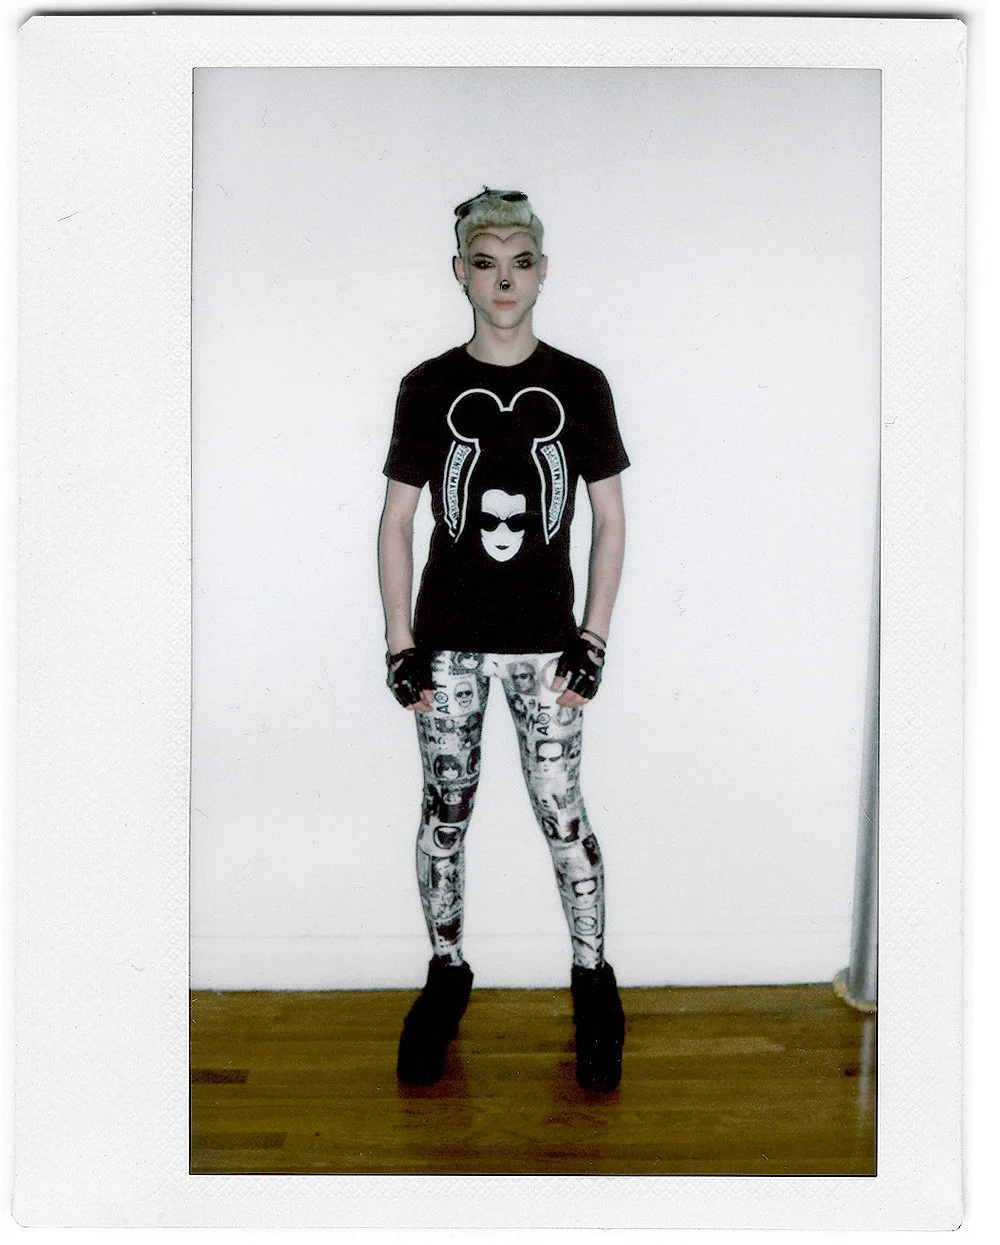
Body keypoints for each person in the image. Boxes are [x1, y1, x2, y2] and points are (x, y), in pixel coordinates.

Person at [378, 187, 629, 1092]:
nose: (504, 281)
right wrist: (401, 643)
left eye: (520, 262)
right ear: (461, 272)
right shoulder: (427, 387)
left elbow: (610, 518)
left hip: (547, 652)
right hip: (446, 647)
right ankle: (447, 972)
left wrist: (592, 639)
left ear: (543, 270)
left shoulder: (581, 384)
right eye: (486, 263)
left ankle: (593, 981)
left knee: (563, 815)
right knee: (445, 815)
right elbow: (397, 521)